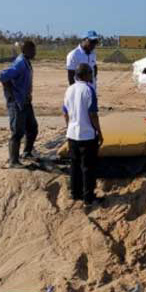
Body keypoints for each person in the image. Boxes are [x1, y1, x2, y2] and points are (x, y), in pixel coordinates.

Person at [61, 65, 103, 205]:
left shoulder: (69, 89)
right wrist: (99, 132)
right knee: (88, 167)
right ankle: (88, 197)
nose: (92, 75)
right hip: (87, 135)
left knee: (74, 165)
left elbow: (65, 113)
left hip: (72, 134)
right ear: (85, 74)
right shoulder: (89, 89)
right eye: (91, 73)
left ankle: (75, 193)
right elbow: (93, 114)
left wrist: (69, 128)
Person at [0, 40, 38, 168]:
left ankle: (27, 152)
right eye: (33, 50)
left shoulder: (26, 62)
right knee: (17, 132)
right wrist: (12, 94)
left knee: (32, 128)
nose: (35, 52)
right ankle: (13, 161)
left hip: (26, 101)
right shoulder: (20, 63)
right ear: (25, 50)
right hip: (17, 103)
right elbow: (2, 76)